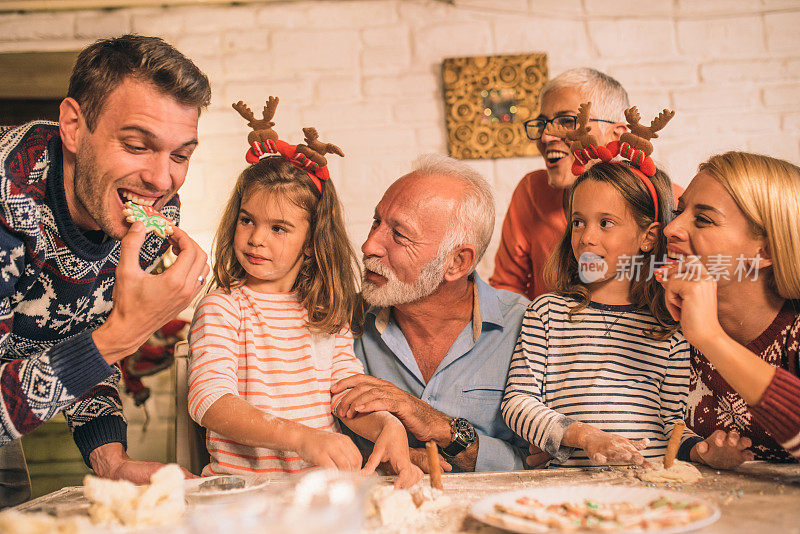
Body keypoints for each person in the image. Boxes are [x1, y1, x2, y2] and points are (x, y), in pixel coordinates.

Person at [0, 34, 211, 502]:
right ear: (74, 126)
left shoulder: (154, 221)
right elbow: (100, 341)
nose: (161, 180)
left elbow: (79, 339)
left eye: (180, 155)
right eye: (137, 145)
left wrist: (110, 460)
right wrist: (123, 332)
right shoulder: (5, 206)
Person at [187, 155, 421, 487]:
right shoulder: (223, 307)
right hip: (244, 496)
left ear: (311, 244)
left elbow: (346, 395)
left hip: (320, 494)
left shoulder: (324, 313)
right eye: (247, 220)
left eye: (278, 228)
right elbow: (209, 401)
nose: (256, 238)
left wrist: (387, 424)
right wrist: (302, 438)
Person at [331, 154, 530, 473]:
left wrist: (438, 426)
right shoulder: (337, 320)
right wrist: (398, 459)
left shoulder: (527, 328)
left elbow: (539, 465)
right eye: (376, 222)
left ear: (457, 263)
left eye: (399, 235)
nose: (369, 245)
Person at [501, 159, 696, 466]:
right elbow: (517, 404)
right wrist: (583, 436)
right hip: (568, 489)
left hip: (650, 487)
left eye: (606, 223)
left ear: (648, 237)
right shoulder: (546, 313)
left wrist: (701, 450)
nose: (586, 236)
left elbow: (674, 422)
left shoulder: (670, 324)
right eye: (578, 222)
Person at [490, 68, 683, 301]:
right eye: (543, 125)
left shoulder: (671, 201)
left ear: (618, 135)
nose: (547, 137)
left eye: (568, 121)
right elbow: (506, 287)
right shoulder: (532, 190)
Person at [659, 152, 800, 464]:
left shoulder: (794, 333)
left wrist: (711, 338)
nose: (672, 229)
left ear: (765, 250)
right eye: (678, 212)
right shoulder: (664, 323)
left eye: (704, 219)